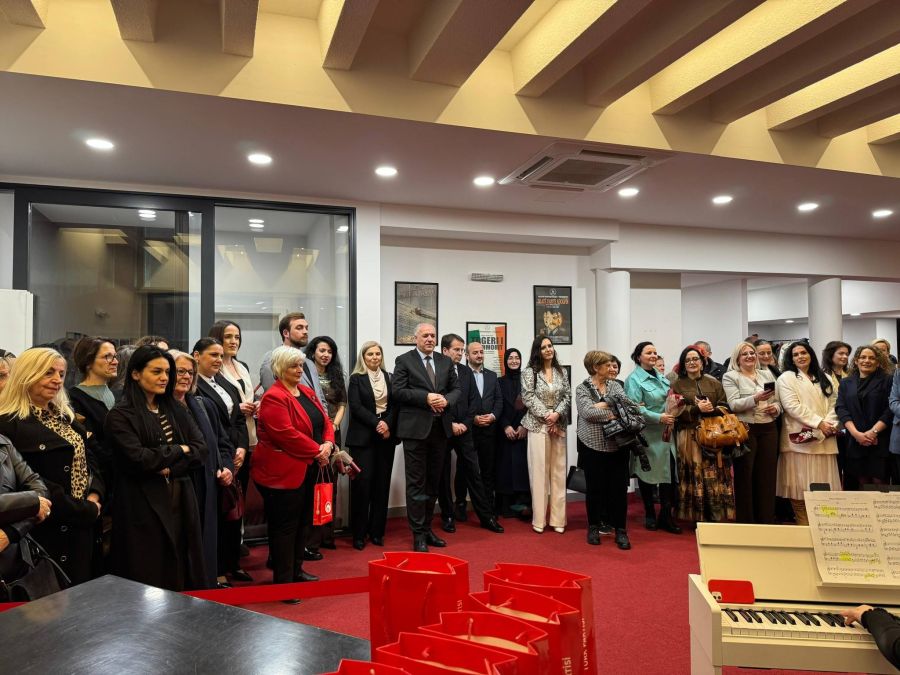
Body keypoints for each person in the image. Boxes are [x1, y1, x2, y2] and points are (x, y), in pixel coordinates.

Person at [105, 346, 208, 590]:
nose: (164, 378)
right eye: (156, 371)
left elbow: (201, 450)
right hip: (142, 504)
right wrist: (180, 449)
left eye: (167, 372)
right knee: (148, 574)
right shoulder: (120, 415)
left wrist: (170, 466)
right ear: (136, 374)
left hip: (181, 498)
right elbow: (139, 459)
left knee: (182, 567)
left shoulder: (175, 409)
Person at [0, 348, 105, 585]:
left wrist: (95, 495)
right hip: (45, 527)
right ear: (27, 374)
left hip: (83, 525)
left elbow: (90, 459)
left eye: (61, 373)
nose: (57, 380)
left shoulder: (66, 417)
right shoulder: (8, 423)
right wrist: (83, 509)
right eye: (48, 373)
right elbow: (30, 481)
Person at [251, 346, 333, 598]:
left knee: (303, 524)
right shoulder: (274, 397)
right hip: (281, 474)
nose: (299, 370)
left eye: (300, 366)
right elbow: (286, 435)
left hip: (308, 467)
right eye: (293, 366)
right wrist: (318, 450)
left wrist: (328, 444)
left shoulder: (306, 391)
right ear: (279, 369)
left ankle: (297, 571)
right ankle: (283, 583)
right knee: (284, 529)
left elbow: (325, 421)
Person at [391, 323, 460, 552]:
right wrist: (426, 397)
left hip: (440, 431)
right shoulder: (404, 360)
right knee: (416, 484)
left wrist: (446, 400)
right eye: (425, 335)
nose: (430, 339)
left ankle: (428, 528)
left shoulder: (445, 361)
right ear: (416, 338)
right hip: (415, 431)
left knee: (433, 483)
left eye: (433, 335)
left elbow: (456, 389)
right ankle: (418, 534)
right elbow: (397, 391)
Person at [170, 349, 235, 588]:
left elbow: (223, 443)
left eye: (190, 372)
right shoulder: (159, 409)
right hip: (178, 490)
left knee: (205, 546)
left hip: (208, 486)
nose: (186, 377)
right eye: (180, 371)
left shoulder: (204, 405)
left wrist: (226, 467)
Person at [192, 337, 251, 586]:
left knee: (234, 515)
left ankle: (232, 563)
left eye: (220, 355)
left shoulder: (224, 382)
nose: (218, 360)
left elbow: (238, 419)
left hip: (234, 454)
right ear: (197, 356)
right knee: (217, 518)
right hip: (215, 459)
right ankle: (217, 569)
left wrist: (242, 448)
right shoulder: (194, 387)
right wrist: (224, 459)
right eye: (213, 355)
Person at [437, 334, 503, 535]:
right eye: (456, 350)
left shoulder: (466, 372)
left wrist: (465, 423)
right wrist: (451, 424)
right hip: (444, 428)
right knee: (443, 473)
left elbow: (473, 401)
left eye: (461, 349)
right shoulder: (435, 370)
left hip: (465, 430)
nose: (460, 353)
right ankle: (448, 515)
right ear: (445, 351)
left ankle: (486, 516)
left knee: (474, 472)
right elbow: (437, 400)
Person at [775, 341, 840, 526]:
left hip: (825, 438)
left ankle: (825, 526)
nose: (800, 357)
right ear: (791, 359)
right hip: (799, 440)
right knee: (799, 487)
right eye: (795, 354)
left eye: (803, 352)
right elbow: (792, 406)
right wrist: (819, 423)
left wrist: (828, 424)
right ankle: (804, 526)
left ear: (811, 354)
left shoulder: (824, 376)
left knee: (825, 487)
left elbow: (835, 403)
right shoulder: (786, 378)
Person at [671, 345, 734, 523]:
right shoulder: (677, 384)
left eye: (695, 359)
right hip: (689, 435)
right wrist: (695, 409)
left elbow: (725, 405)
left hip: (714, 434)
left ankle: (715, 514)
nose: (692, 362)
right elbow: (674, 411)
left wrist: (712, 409)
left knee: (714, 473)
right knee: (693, 474)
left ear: (702, 361)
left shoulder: (713, 382)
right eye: (688, 360)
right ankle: (696, 516)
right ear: (683, 364)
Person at [577, 350, 633, 550]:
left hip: (618, 445)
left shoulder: (616, 385)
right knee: (594, 490)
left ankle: (621, 530)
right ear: (595, 367)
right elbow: (587, 412)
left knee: (619, 490)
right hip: (592, 445)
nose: (611, 368)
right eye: (607, 365)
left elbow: (626, 406)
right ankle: (593, 527)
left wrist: (603, 405)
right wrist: (612, 411)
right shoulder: (582, 389)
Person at [722, 341, 781, 524]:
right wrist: (755, 398)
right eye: (745, 354)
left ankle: (766, 518)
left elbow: (778, 401)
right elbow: (734, 405)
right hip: (746, 429)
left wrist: (776, 409)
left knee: (767, 475)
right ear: (737, 358)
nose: (749, 356)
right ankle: (746, 520)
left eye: (752, 353)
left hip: (769, 428)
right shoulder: (731, 377)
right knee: (745, 475)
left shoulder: (766, 373)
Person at [624, 342, 680, 534]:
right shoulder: (634, 379)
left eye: (655, 352)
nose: (653, 355)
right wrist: (658, 417)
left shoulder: (662, 377)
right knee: (647, 474)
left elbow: (669, 400)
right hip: (648, 433)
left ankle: (666, 515)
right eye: (649, 352)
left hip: (667, 434)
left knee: (668, 474)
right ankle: (649, 513)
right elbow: (634, 408)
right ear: (638, 357)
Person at [346, 341, 396, 551]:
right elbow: (355, 407)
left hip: (386, 437)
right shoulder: (356, 379)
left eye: (378, 354)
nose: (375, 357)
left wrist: (387, 424)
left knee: (381, 485)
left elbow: (396, 405)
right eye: (370, 354)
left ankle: (377, 532)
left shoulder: (389, 377)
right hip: (363, 438)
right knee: (362, 484)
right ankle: (359, 534)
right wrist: (377, 424)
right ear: (363, 358)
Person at [521, 336, 571, 534]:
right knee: (539, 473)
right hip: (538, 425)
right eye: (544, 347)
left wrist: (556, 414)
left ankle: (558, 519)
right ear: (538, 351)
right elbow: (528, 397)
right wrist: (547, 416)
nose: (549, 349)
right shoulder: (529, 372)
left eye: (550, 346)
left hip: (558, 424)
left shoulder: (562, 371)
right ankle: (539, 520)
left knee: (558, 472)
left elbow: (567, 396)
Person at [304, 335, 346, 553]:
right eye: (322, 350)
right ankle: (311, 540)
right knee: (314, 486)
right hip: (313, 434)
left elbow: (342, 404)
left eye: (329, 351)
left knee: (330, 485)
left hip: (333, 434)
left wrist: (334, 425)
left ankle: (328, 535)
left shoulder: (336, 375)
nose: (326, 355)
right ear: (312, 352)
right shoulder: (305, 374)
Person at [835, 345, 893, 488]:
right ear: (856, 361)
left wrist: (873, 432)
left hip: (879, 440)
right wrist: (856, 434)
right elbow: (841, 409)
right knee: (862, 483)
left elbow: (889, 409)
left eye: (872, 358)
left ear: (878, 362)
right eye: (863, 357)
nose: (867, 361)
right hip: (855, 440)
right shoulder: (846, 383)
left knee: (880, 483)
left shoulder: (888, 380)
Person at [0, 433, 52, 593]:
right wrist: (30, 502)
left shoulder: (3, 442)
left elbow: (41, 491)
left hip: (15, 564)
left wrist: (11, 533)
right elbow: (36, 501)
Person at [68, 337, 118, 492]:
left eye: (115, 356)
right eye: (107, 357)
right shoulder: (74, 398)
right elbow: (90, 444)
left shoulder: (121, 395)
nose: (115, 362)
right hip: (101, 480)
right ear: (88, 362)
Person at [460, 341, 503, 516]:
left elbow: (498, 400)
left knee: (487, 470)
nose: (479, 355)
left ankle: (488, 507)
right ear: (467, 356)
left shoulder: (492, 376)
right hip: (468, 431)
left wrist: (492, 416)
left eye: (481, 352)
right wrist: (473, 419)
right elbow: (459, 403)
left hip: (489, 431)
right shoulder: (460, 375)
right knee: (464, 470)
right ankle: (460, 506)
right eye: (475, 352)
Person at [259, 312, 327, 410]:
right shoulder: (273, 359)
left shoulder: (310, 363)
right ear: (286, 333)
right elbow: (273, 398)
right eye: (299, 328)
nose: (305, 332)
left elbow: (320, 397)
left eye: (306, 328)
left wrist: (324, 417)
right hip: (291, 417)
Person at [495, 348, 531, 520]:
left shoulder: (528, 381)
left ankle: (523, 507)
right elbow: (497, 405)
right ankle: (506, 508)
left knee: (522, 471)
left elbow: (531, 407)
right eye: (511, 358)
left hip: (523, 433)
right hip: (504, 434)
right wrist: (505, 426)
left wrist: (524, 426)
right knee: (505, 471)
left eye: (517, 358)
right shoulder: (498, 382)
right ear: (505, 361)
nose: (514, 361)